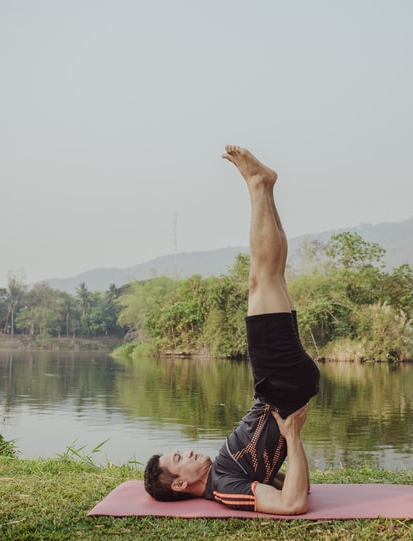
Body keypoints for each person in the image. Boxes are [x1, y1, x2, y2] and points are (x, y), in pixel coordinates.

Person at [143, 145, 320, 515]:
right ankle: (258, 184)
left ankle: (264, 186)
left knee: (267, 276)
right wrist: (293, 436)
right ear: (179, 483)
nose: (188, 450)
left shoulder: (226, 476)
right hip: (280, 388)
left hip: (280, 387)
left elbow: (286, 485)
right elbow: (294, 503)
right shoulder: (224, 487)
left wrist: (283, 456)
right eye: (180, 457)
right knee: (262, 278)